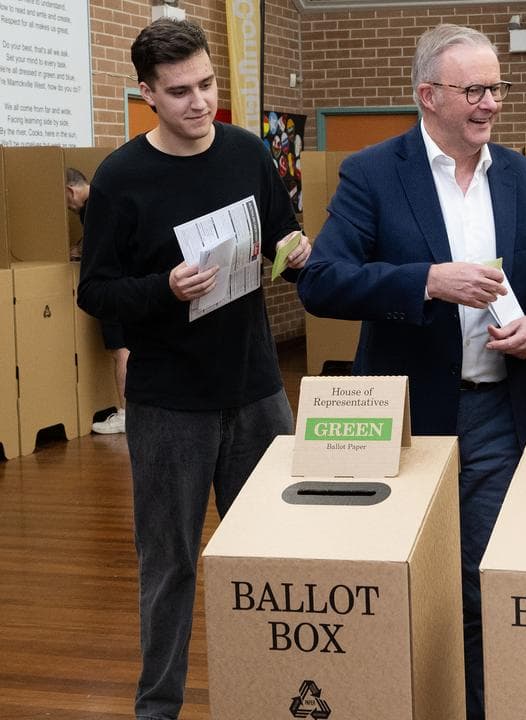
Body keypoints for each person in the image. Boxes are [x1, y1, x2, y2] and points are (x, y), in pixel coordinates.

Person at [296, 23, 526, 720]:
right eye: (475, 90)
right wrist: (427, 281)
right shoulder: (371, 174)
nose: (491, 104)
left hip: (494, 418)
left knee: (484, 586)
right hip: (403, 427)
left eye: (497, 88)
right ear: (428, 96)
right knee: (403, 586)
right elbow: (323, 282)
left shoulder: (520, 179)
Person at [76, 18, 311, 720]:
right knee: (170, 565)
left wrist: (296, 251)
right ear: (148, 93)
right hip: (170, 403)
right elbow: (95, 291)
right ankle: (159, 707)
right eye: (180, 92)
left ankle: (279, 698)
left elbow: (283, 227)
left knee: (273, 556)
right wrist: (162, 290)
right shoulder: (120, 179)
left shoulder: (245, 152)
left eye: (207, 85)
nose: (200, 102)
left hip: (258, 389)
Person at [67, 166, 131, 434]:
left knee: (121, 350)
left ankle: (126, 414)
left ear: (70, 191)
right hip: (131, 283)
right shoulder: (110, 196)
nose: (68, 208)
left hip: (112, 286)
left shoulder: (89, 209)